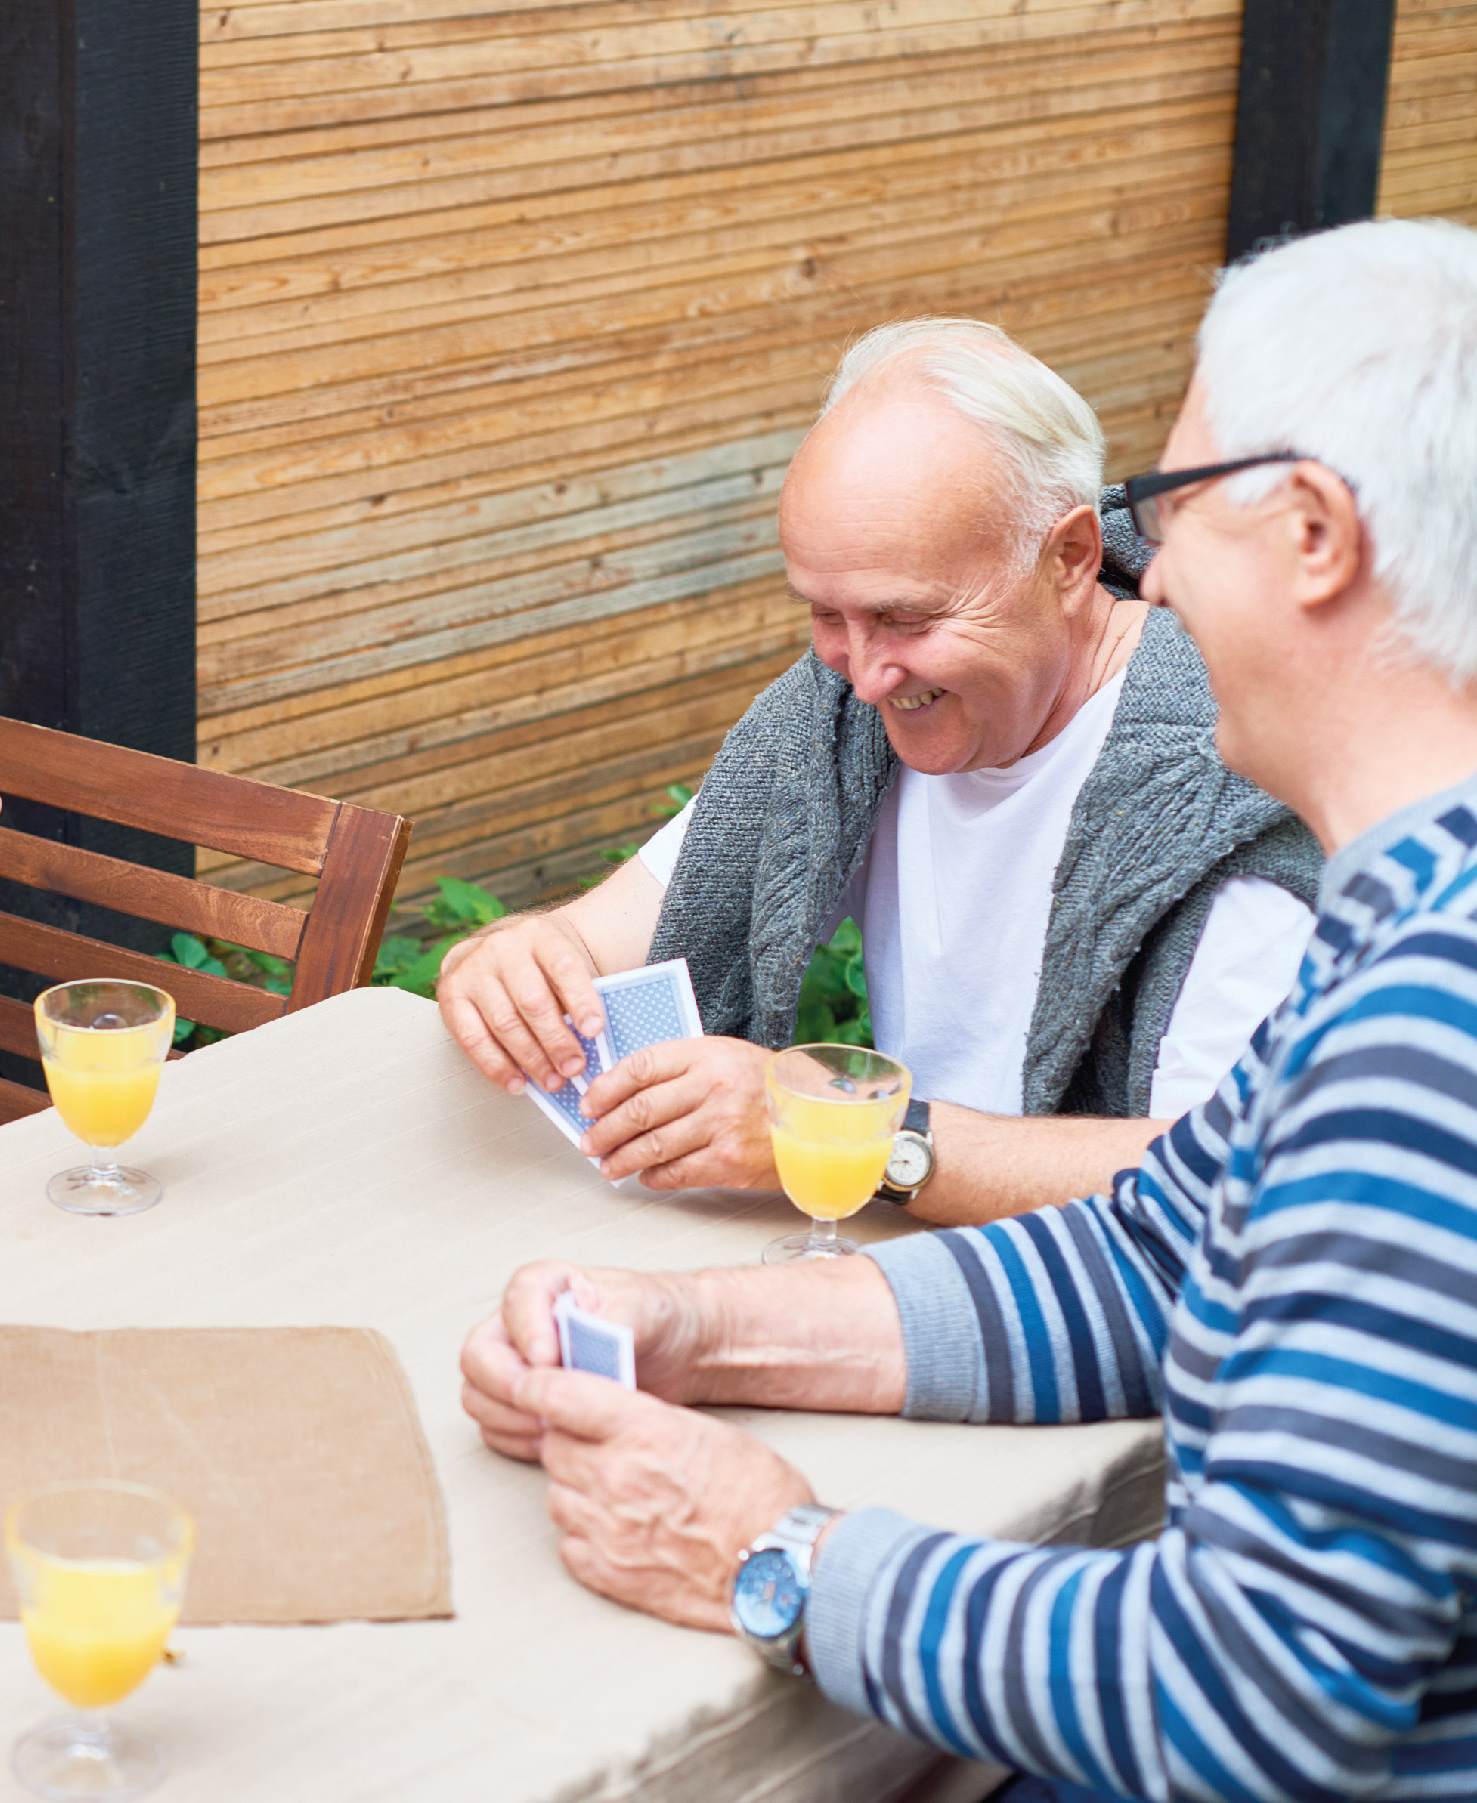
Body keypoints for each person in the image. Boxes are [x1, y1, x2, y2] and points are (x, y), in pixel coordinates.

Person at [460, 217, 1477, 1802]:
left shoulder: (1429, 1021)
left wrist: (772, 1550)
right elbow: (1158, 1240)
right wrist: (703, 1324)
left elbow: (1257, 1697)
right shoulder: (1409, 913)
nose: (1159, 567)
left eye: (1172, 502)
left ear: (1318, 535)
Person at [438, 320, 1319, 1226]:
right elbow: (594, 940)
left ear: (1069, 558)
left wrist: (859, 1135)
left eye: (906, 618)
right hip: (911, 1250)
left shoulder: (1228, 778)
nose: (862, 674)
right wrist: (514, 960)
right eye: (826, 613)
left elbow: (1224, 1180)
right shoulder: (840, 710)